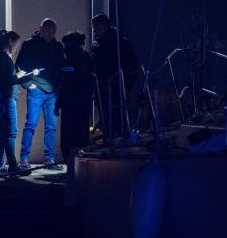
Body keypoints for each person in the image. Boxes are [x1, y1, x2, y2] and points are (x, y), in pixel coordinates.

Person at [15, 18, 65, 170]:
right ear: (41, 29)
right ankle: (25, 159)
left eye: (53, 31)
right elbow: (20, 66)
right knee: (32, 124)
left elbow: (60, 67)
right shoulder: (30, 45)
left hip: (51, 92)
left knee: (50, 126)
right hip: (38, 90)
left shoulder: (57, 47)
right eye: (48, 30)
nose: (50, 34)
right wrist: (29, 85)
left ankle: (48, 159)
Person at [0, 30, 35, 176]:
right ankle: (11, 165)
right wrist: (20, 76)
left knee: (5, 132)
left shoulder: (2, 57)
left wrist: (22, 76)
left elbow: (8, 78)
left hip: (8, 97)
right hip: (7, 98)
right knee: (11, 131)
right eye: (16, 44)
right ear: (9, 42)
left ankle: (1, 165)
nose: (17, 47)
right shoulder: (0, 58)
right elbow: (5, 80)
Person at [90, 14, 140, 142]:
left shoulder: (120, 43)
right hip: (102, 89)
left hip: (117, 87)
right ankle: (110, 140)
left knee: (119, 116)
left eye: (98, 28)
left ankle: (122, 141)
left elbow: (133, 66)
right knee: (106, 117)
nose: (96, 31)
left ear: (106, 26)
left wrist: (126, 87)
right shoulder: (96, 45)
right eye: (94, 28)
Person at [54, 31, 93, 181]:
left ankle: (71, 170)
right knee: (81, 135)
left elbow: (67, 84)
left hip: (71, 105)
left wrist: (59, 103)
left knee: (70, 138)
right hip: (84, 103)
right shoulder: (86, 57)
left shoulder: (71, 60)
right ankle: (79, 170)